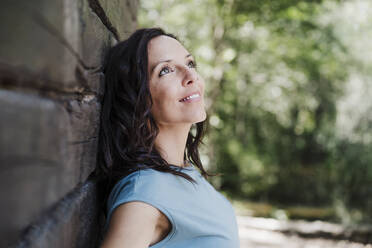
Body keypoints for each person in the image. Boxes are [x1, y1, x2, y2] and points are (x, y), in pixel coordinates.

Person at [96, 27, 240, 248]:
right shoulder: (145, 191)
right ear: (137, 100)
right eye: (166, 70)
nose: (191, 75)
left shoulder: (183, 172)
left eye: (190, 64)